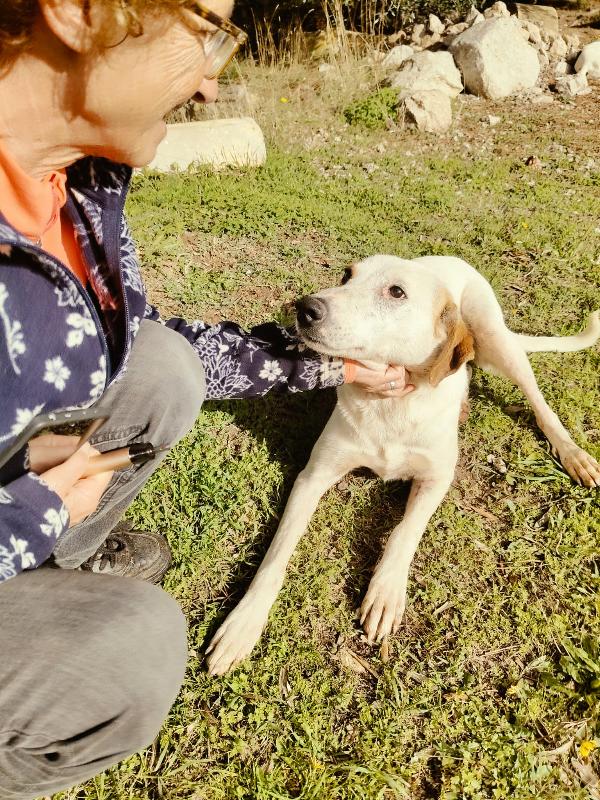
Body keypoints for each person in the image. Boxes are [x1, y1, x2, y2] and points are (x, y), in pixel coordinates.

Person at [0, 1, 413, 797]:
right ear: (82, 13)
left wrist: (332, 371)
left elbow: (145, 343)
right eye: (208, 29)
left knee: (160, 366)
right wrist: (37, 507)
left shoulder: (78, 180)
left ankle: (58, 574)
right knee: (137, 650)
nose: (213, 86)